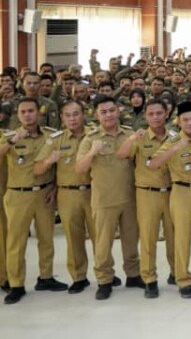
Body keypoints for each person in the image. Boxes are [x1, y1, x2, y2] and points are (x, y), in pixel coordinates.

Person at [75, 96, 140, 300]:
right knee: (103, 244)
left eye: (112, 110)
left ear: (118, 111)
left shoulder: (129, 134)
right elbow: (79, 168)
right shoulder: (90, 139)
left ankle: (133, 275)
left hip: (129, 197)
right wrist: (92, 152)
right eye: (103, 112)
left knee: (131, 240)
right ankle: (104, 280)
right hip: (104, 200)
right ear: (96, 115)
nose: (109, 115)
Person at [2, 98, 65, 304]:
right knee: (16, 242)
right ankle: (16, 284)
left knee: (46, 238)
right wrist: (12, 141)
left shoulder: (50, 136)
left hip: (44, 193)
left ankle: (46, 277)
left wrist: (54, 187)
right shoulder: (9, 137)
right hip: (18, 195)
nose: (27, 115)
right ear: (17, 115)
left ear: (39, 113)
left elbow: (58, 166)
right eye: (23, 112)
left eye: (31, 111)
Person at [150, 101, 191, 298]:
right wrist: (175, 148)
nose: (190, 123)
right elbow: (153, 163)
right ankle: (183, 279)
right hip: (182, 192)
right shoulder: (173, 140)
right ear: (178, 121)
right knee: (182, 238)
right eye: (186, 120)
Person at [31, 99, 94, 294]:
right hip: (68, 194)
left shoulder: (94, 135)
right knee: (73, 238)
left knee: (100, 236)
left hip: (95, 192)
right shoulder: (56, 139)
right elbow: (37, 169)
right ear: (62, 118)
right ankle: (79, 277)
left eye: (76, 114)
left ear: (83, 115)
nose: (72, 119)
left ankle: (105, 274)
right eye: (68, 115)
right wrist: (49, 161)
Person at [117, 98, 175, 298]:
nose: (156, 117)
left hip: (172, 193)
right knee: (149, 238)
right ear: (145, 116)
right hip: (147, 193)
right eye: (151, 114)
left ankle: (177, 273)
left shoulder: (174, 137)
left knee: (174, 237)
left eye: (159, 113)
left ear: (166, 114)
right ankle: (149, 278)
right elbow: (121, 154)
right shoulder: (139, 137)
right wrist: (132, 138)